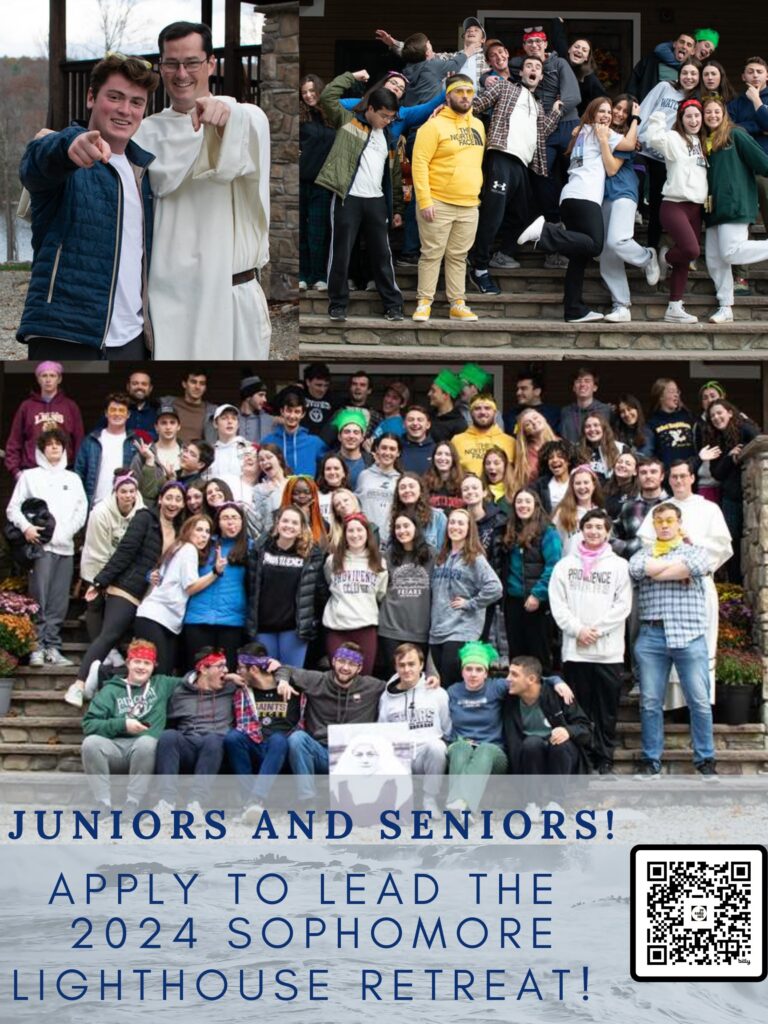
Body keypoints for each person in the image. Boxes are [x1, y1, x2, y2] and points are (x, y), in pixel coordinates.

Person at [134, 20, 271, 359]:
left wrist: (226, 117)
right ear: (161, 66)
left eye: (192, 62)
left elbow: (244, 137)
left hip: (231, 297)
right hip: (169, 302)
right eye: (172, 63)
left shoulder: (246, 118)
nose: (182, 74)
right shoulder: (145, 133)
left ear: (211, 64)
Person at [17, 54, 159, 359]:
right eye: (115, 97)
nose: (125, 110)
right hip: (65, 335)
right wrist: (71, 143)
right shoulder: (67, 154)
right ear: (91, 97)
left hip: (132, 340)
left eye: (136, 102)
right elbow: (36, 165)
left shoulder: (144, 172)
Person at [64, 481, 185, 708]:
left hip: (154, 598)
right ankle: (78, 685)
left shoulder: (180, 529)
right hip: (128, 587)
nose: (173, 503)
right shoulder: (145, 518)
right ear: (160, 499)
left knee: (140, 650)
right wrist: (101, 581)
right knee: (110, 635)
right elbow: (125, 551)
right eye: (169, 497)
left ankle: (99, 677)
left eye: (178, 499)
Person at [515, 97, 633, 323]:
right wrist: (635, 119)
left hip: (570, 198)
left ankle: (574, 309)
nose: (607, 116)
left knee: (580, 256)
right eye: (602, 111)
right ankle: (545, 232)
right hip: (584, 197)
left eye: (609, 112)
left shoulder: (582, 132)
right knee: (595, 245)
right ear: (592, 113)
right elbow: (630, 145)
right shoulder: (599, 132)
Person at [629, 503, 718, 779]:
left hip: (689, 635)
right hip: (652, 636)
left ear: (679, 524)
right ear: (653, 525)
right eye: (659, 521)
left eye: (669, 521)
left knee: (699, 701)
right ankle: (651, 760)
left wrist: (657, 571)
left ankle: (705, 760)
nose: (665, 525)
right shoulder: (640, 554)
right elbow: (637, 569)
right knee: (650, 702)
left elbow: (695, 566)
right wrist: (678, 570)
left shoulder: (697, 553)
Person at [468, 55, 562, 295]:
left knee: (524, 215)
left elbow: (541, 133)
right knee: (493, 213)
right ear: (521, 73)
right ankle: (479, 268)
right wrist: (451, 105)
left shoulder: (538, 105)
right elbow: (478, 104)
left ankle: (501, 254)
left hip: (523, 164)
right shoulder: (505, 87)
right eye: (529, 66)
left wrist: (556, 113)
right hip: (502, 155)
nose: (533, 69)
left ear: (540, 77)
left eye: (538, 67)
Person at [548, 509, 632, 774]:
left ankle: (604, 757)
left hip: (608, 653)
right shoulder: (565, 566)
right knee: (578, 712)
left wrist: (595, 630)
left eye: (599, 527)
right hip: (576, 652)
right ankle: (582, 758)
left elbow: (623, 605)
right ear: (581, 531)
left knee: (606, 711)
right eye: (589, 527)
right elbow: (558, 604)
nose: (594, 531)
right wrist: (578, 630)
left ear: (608, 532)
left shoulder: (619, 566)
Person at [318, 72, 404, 323]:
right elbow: (327, 96)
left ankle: (393, 305)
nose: (388, 121)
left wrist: (396, 207)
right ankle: (337, 304)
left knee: (382, 254)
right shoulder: (349, 122)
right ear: (371, 109)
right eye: (384, 115)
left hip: (376, 201)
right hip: (348, 198)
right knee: (341, 252)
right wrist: (351, 77)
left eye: (391, 117)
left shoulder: (389, 137)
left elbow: (394, 176)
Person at [7, 428, 87, 667]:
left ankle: (53, 646)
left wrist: (66, 532)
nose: (54, 448)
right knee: (38, 596)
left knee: (59, 600)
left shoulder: (72, 479)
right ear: (41, 449)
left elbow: (81, 511)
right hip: (39, 548)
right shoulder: (29, 476)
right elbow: (13, 509)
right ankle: (36, 647)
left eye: (58, 444)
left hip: (65, 548)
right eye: (49, 444)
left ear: (64, 449)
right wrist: (26, 529)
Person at [410, 73, 484, 323]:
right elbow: (419, 164)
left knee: (458, 256)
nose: (465, 96)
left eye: (469, 92)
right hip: (438, 201)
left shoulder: (478, 126)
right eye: (459, 91)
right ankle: (424, 302)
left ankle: (457, 304)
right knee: (431, 254)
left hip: (469, 204)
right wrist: (425, 200)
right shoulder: (432, 126)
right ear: (448, 95)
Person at [274, 642, 388, 802]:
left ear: (359, 668)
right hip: (322, 752)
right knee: (297, 739)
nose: (345, 667)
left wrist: (427, 680)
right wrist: (283, 682)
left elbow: (398, 685)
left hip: (354, 756)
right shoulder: (317, 680)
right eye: (341, 661)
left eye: (352, 664)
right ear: (333, 661)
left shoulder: (372, 686)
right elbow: (284, 669)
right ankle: (308, 800)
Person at [80, 638, 179, 811]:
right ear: (128, 663)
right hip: (115, 749)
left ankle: (133, 803)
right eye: (137, 661)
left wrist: (227, 675)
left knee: (146, 742)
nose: (141, 667)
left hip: (145, 752)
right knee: (90, 743)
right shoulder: (111, 689)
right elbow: (89, 724)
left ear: (154, 665)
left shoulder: (162, 684)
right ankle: (103, 803)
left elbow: (196, 681)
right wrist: (122, 724)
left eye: (147, 663)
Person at [702, 95, 768, 324]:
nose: (712, 116)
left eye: (716, 112)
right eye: (707, 112)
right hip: (713, 209)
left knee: (731, 252)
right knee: (714, 259)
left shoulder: (736, 135)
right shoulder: (703, 142)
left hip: (736, 204)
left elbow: (764, 164)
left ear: (724, 114)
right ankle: (725, 306)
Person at [508, 27, 581, 228]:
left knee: (574, 172)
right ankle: (552, 219)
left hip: (567, 125)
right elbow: (504, 66)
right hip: (541, 129)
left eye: (538, 41)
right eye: (529, 42)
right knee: (540, 174)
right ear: (524, 46)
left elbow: (574, 97)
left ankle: (574, 220)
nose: (534, 45)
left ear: (546, 44)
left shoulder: (559, 63)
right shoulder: (522, 66)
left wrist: (555, 112)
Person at [154, 647, 240, 814]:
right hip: (188, 745)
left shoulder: (231, 689)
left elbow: (259, 678)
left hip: (216, 749)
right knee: (168, 736)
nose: (226, 670)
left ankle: (195, 803)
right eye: (220, 666)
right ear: (203, 669)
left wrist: (237, 678)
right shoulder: (180, 693)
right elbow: (170, 721)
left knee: (214, 739)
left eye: (226, 666)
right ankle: (166, 803)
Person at [644, 98, 708, 323]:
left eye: (697, 116)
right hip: (674, 204)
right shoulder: (673, 138)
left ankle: (674, 307)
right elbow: (652, 138)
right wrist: (659, 116)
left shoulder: (703, 141)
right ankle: (665, 256)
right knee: (691, 251)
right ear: (681, 119)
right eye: (688, 116)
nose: (693, 120)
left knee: (685, 260)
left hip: (696, 207)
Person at [599, 94, 661, 323]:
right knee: (607, 252)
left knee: (618, 240)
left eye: (625, 111)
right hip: (602, 195)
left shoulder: (626, 137)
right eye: (617, 107)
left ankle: (647, 257)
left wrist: (635, 120)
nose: (618, 113)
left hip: (624, 191)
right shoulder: (599, 129)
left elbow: (613, 168)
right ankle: (621, 305)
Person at [503, 655, 592, 814]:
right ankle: (532, 803)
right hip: (530, 758)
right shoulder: (509, 698)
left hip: (561, 756)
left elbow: (585, 729)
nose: (508, 679)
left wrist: (568, 731)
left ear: (531, 679)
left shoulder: (559, 694)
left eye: (514, 674)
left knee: (559, 743)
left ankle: (556, 803)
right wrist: (555, 679)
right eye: (509, 673)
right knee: (532, 742)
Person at [224, 642, 301, 820]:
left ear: (254, 670)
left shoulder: (290, 685)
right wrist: (228, 677)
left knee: (278, 739)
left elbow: (308, 675)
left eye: (240, 668)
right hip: (255, 745)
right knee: (233, 737)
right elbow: (199, 677)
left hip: (281, 751)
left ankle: (255, 799)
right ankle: (251, 803)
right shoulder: (242, 690)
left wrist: (283, 673)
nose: (238, 672)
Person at [132, 513, 215, 674]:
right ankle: (101, 675)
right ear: (188, 530)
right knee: (157, 671)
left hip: (164, 620)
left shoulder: (178, 547)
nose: (204, 535)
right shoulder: (188, 549)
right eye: (199, 530)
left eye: (207, 531)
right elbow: (190, 586)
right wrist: (215, 573)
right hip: (155, 617)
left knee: (163, 672)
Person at [429, 507, 503, 686]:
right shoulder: (441, 556)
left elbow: (495, 587)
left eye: (461, 523)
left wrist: (471, 603)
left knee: (452, 682)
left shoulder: (474, 557)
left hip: (462, 629)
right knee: (445, 685)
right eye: (452, 522)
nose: (455, 526)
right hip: (438, 629)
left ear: (469, 529)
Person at [246, 505, 327, 666]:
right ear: (277, 523)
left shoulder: (311, 554)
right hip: (263, 626)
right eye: (285, 521)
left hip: (294, 629)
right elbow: (250, 584)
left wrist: (312, 621)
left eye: (294, 523)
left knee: (290, 678)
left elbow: (318, 592)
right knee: (265, 677)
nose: (289, 526)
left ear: (301, 528)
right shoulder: (260, 548)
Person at [638, 57, 703, 258]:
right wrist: (637, 136)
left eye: (693, 73)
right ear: (679, 74)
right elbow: (645, 108)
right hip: (643, 148)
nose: (688, 77)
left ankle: (652, 247)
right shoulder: (664, 87)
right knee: (637, 181)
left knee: (659, 201)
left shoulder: (697, 101)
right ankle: (636, 212)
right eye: (685, 73)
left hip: (665, 156)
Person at [378, 643, 450, 808]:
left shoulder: (438, 693)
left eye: (411, 664)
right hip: (400, 754)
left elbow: (447, 727)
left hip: (426, 753)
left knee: (437, 747)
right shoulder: (386, 697)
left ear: (421, 665)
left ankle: (429, 799)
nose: (407, 669)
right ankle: (398, 804)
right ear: (396, 667)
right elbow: (382, 730)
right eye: (401, 665)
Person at [182, 502, 250, 671]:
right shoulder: (206, 543)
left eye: (235, 517)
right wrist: (154, 575)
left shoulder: (251, 547)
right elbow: (176, 560)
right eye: (225, 518)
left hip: (232, 620)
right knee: (198, 671)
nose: (230, 522)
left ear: (242, 521)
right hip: (198, 616)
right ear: (218, 522)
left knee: (226, 673)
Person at [79, 472, 145, 642]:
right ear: (116, 492)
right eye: (123, 491)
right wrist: (106, 579)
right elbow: (98, 549)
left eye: (132, 491)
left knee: (116, 607)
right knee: (96, 603)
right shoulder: (100, 513)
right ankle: (97, 644)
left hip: (125, 567)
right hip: (97, 562)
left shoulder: (142, 512)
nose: (128, 495)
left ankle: (112, 646)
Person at [445, 642, 509, 816]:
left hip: (493, 753)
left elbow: (529, 678)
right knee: (460, 747)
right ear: (462, 671)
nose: (473, 674)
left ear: (486, 672)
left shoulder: (496, 687)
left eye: (479, 670)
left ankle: (458, 801)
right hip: (462, 747)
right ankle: (461, 807)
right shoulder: (452, 691)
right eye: (469, 669)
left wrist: (556, 681)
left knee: (484, 749)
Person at [501, 487, 561, 671]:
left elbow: (554, 566)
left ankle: (542, 694)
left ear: (536, 505)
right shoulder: (510, 529)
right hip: (513, 601)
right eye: (519, 501)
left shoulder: (547, 531)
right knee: (516, 654)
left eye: (527, 501)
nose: (523, 505)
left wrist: (537, 594)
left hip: (537, 603)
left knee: (539, 654)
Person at [323, 513, 388, 675]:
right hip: (337, 628)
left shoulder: (379, 562)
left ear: (367, 533)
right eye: (350, 531)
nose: (355, 535)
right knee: (340, 676)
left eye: (360, 530)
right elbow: (329, 584)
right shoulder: (332, 560)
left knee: (363, 678)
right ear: (344, 535)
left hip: (365, 627)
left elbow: (380, 593)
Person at [703, 399, 761, 580]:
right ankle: (735, 585)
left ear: (730, 412)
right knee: (732, 539)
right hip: (731, 496)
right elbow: (717, 474)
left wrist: (747, 422)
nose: (716, 418)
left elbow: (759, 440)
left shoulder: (744, 429)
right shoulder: (715, 440)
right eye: (712, 416)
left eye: (720, 413)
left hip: (754, 493)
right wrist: (730, 458)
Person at [4, 363, 84, 480]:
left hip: (64, 471)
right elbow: (14, 441)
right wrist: (16, 471)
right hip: (32, 470)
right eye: (44, 376)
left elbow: (79, 441)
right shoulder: (26, 406)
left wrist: (77, 472)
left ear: (59, 379)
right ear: (38, 379)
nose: (48, 380)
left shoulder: (70, 406)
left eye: (52, 376)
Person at [378, 512, 435, 668]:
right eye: (397, 527)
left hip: (420, 629)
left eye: (406, 526)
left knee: (416, 678)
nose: (402, 530)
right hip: (390, 628)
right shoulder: (388, 555)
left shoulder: (432, 554)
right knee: (394, 676)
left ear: (416, 528)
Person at [299, 74, 335, 292]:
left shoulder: (331, 116)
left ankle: (319, 276)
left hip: (323, 182)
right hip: (302, 180)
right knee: (302, 230)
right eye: (304, 92)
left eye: (312, 91)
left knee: (319, 231)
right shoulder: (300, 117)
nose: (309, 95)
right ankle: (302, 275)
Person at [74, 393, 138, 507]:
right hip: (95, 505)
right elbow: (79, 473)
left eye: (121, 410)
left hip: (125, 507)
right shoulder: (91, 440)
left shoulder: (134, 442)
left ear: (128, 414)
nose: (117, 414)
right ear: (106, 413)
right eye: (113, 410)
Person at [260, 389, 328, 477]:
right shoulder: (268, 441)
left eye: (297, 412)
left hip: (306, 490)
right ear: (282, 411)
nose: (292, 416)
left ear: (303, 414)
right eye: (289, 410)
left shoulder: (314, 442)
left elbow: (330, 465)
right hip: (277, 490)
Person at [128, 403, 183, 504]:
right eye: (163, 423)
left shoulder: (186, 453)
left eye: (172, 422)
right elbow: (133, 487)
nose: (168, 427)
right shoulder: (143, 455)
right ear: (156, 427)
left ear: (178, 426)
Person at [355, 433, 402, 544]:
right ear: (377, 450)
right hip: (365, 538)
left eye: (392, 449)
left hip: (391, 541)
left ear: (398, 453)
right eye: (384, 448)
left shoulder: (401, 480)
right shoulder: (364, 475)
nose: (387, 452)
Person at [626, 31, 695, 103]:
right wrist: (632, 102)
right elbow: (633, 82)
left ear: (693, 52)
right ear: (674, 44)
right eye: (681, 42)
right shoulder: (651, 61)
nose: (684, 46)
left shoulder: (689, 73)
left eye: (689, 45)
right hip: (645, 108)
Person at [453, 395, 514, 475]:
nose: (482, 412)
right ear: (471, 413)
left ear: (495, 413)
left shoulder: (510, 442)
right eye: (477, 408)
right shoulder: (457, 441)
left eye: (487, 408)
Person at [646, 378, 696, 468]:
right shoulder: (652, 422)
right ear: (660, 396)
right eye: (671, 391)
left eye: (677, 391)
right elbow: (648, 452)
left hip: (689, 473)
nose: (676, 395)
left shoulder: (688, 417)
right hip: (667, 475)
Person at [390, 472, 446, 551]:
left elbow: (443, 552)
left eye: (411, 486)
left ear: (420, 490)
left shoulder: (438, 517)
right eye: (403, 487)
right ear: (398, 494)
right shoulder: (396, 518)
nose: (407, 490)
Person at [553, 465, 604, 549]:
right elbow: (553, 542)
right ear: (572, 486)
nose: (582, 487)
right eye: (578, 483)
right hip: (569, 560)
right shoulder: (562, 512)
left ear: (593, 485)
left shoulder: (601, 513)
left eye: (586, 482)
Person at [559, 367, 613, 444]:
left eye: (587, 381)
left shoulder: (606, 410)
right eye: (578, 381)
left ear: (595, 387)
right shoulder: (566, 411)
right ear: (574, 388)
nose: (582, 384)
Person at [162, 370, 216, 445]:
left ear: (205, 388)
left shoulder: (213, 412)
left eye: (202, 383)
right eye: (193, 382)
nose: (197, 387)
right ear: (184, 384)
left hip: (198, 455)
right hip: (169, 454)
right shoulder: (167, 404)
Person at [508, 408, 556, 491]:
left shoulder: (560, 444)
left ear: (543, 418)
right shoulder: (523, 454)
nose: (533, 422)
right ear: (525, 432)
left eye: (535, 418)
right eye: (528, 424)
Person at [279, 475, 327, 547]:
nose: (302, 496)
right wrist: (301, 516)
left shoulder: (320, 521)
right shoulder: (277, 517)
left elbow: (322, 546)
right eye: (296, 493)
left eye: (307, 492)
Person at [578, 413, 626, 483]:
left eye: (596, 425)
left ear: (604, 428)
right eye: (588, 426)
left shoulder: (620, 448)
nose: (592, 429)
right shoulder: (577, 451)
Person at [332, 409, 373, 489]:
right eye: (347, 432)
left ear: (362, 438)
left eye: (356, 432)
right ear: (339, 437)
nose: (351, 436)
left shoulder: (370, 461)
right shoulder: (330, 461)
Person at [531, 439, 574, 514]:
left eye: (560, 456)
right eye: (550, 457)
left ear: (568, 461)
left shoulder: (577, 481)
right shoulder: (540, 485)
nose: (555, 460)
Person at [424, 440, 465, 512]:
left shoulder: (464, 482)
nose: (443, 458)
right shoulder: (424, 483)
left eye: (447, 454)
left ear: (453, 459)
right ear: (433, 458)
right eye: (439, 454)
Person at [426, 371, 466, 443]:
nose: (429, 394)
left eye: (433, 391)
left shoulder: (459, 424)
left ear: (446, 395)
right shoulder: (428, 417)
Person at [399, 406, 436, 475]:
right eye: (411, 420)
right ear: (403, 424)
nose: (415, 423)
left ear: (428, 425)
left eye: (420, 420)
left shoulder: (436, 450)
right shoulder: (396, 447)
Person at [603, 451, 640, 519]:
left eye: (628, 464)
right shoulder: (604, 488)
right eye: (619, 462)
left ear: (635, 472)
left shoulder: (638, 493)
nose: (622, 465)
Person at [238, 375, 274, 444]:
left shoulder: (268, 419)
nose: (265, 399)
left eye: (265, 395)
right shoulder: (233, 419)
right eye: (261, 395)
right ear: (248, 396)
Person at [316, 453, 349, 522]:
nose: (332, 472)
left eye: (336, 468)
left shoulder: (351, 497)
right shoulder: (315, 496)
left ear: (344, 473)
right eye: (328, 469)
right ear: (323, 473)